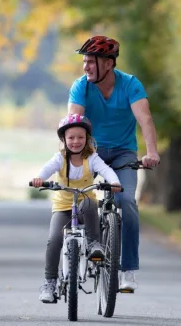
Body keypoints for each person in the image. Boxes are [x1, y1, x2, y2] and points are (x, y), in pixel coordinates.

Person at [67, 35, 160, 292]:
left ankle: (127, 270)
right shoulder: (81, 87)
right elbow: (73, 122)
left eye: (90, 62)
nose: (85, 67)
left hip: (122, 154)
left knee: (127, 201)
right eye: (84, 61)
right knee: (79, 197)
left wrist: (151, 152)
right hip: (90, 152)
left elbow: (145, 119)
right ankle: (74, 254)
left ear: (108, 64)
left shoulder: (130, 85)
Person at [31, 114, 121, 303]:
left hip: (84, 206)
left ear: (87, 139)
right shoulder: (60, 158)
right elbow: (47, 169)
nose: (76, 141)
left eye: (80, 137)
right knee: (54, 239)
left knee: (89, 202)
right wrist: (40, 178)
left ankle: (94, 244)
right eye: (71, 137)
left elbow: (106, 170)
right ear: (64, 139)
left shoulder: (92, 158)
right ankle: (50, 282)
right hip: (63, 206)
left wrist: (114, 181)